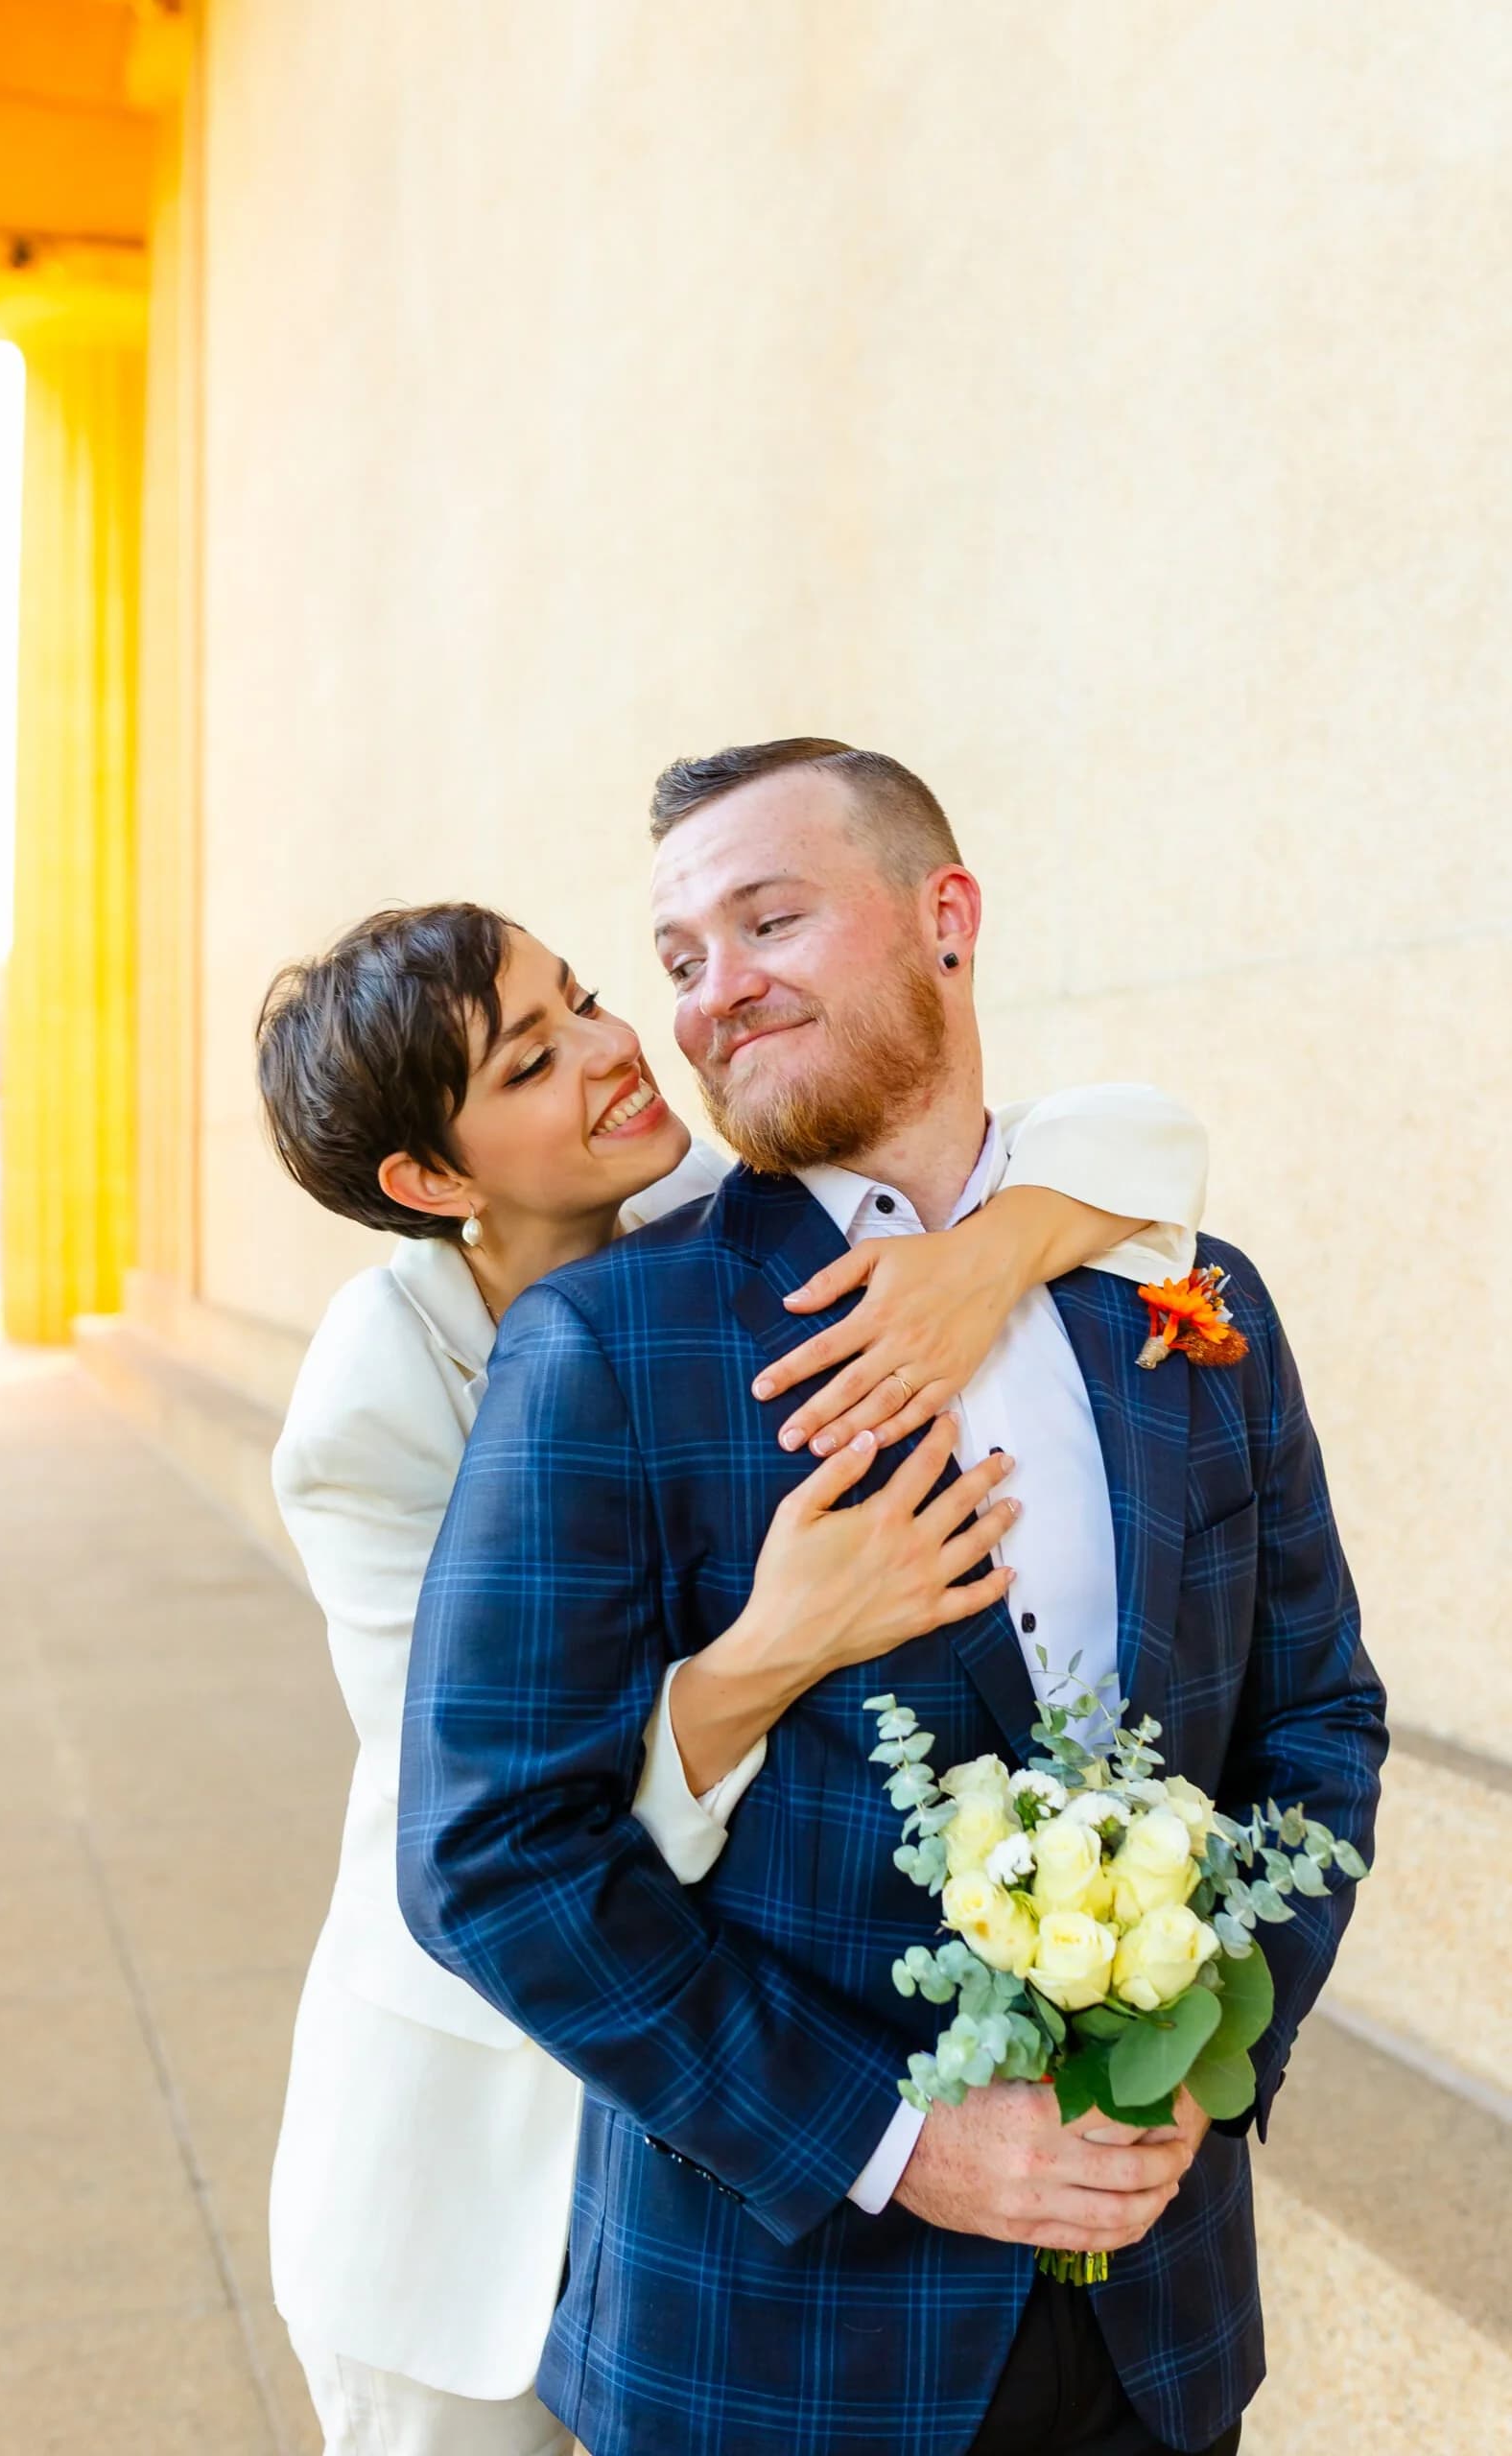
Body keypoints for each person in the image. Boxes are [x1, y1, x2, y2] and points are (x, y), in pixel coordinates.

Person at [398, 740, 1387, 2456]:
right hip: (780, 2354)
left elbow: (1317, 1718)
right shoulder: (607, 1350)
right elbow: (489, 1853)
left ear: (946, 917)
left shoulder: (1192, 1296)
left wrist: (1211, 2048)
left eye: (769, 919)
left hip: (1164, 2330)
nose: (713, 996)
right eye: (684, 959)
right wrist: (898, 2138)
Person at [255, 895, 1212, 2456]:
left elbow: (1146, 1137)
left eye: (580, 998)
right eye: (530, 1061)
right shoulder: (370, 1409)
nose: (617, 1050)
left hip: (713, 2127)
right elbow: (489, 1818)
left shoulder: (728, 1203)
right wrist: (776, 1648)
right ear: (431, 1181)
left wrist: (989, 1258)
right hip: (480, 2136)